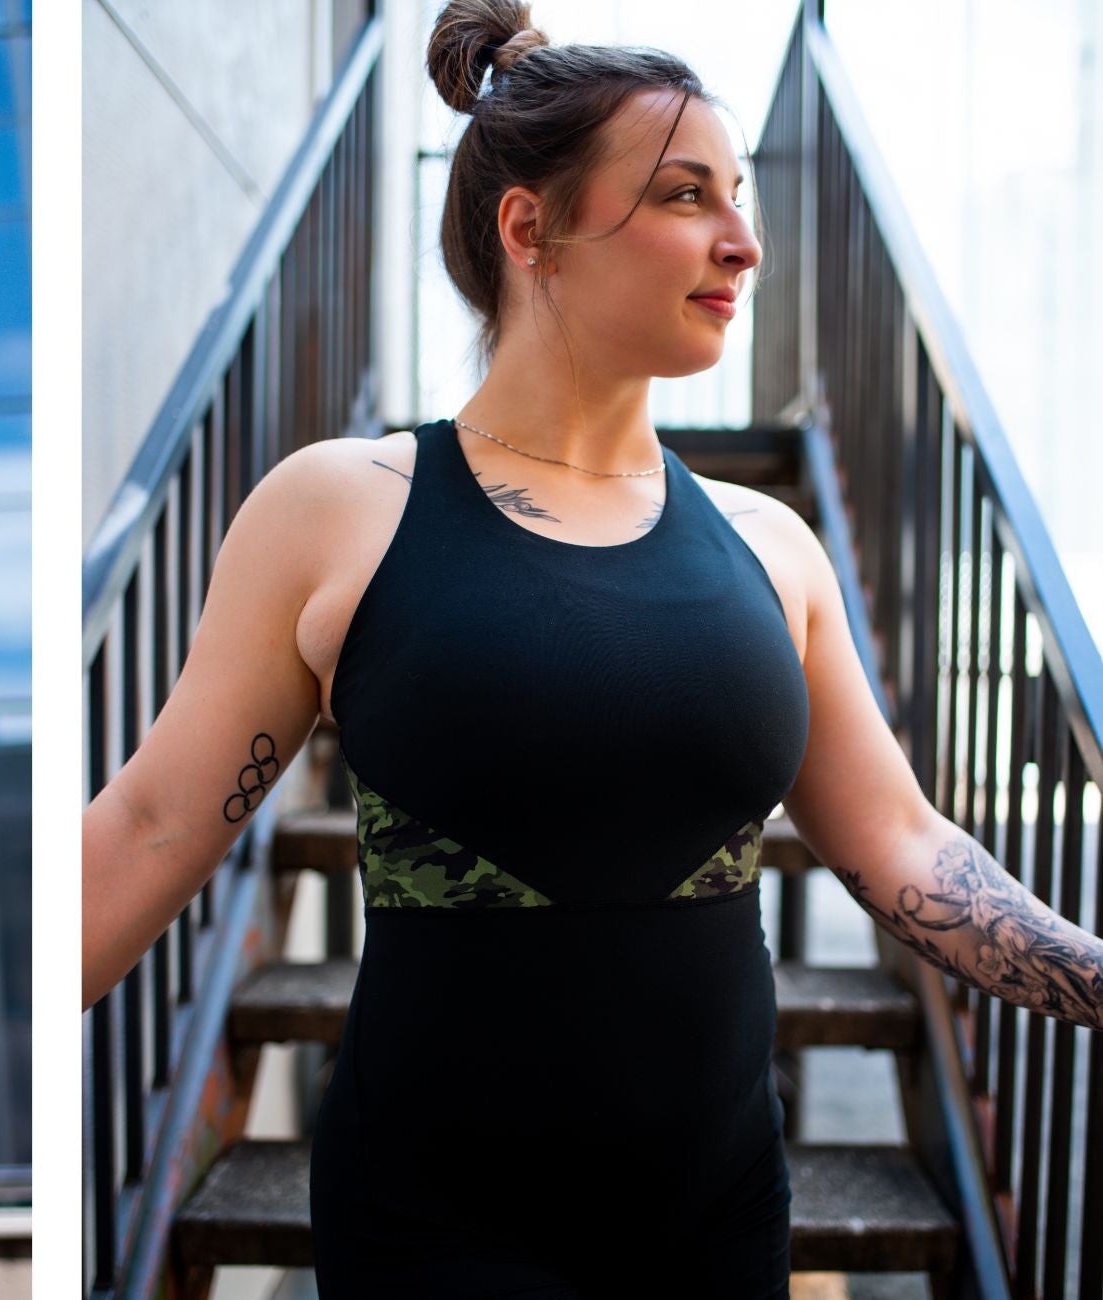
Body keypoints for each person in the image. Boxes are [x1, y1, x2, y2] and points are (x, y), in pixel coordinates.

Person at [79, 1, 1103, 1293]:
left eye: (741, 197)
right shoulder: (340, 508)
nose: (746, 241)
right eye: (687, 197)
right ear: (531, 229)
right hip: (432, 1237)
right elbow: (155, 825)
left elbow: (902, 843)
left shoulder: (771, 547)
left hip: (717, 1227)